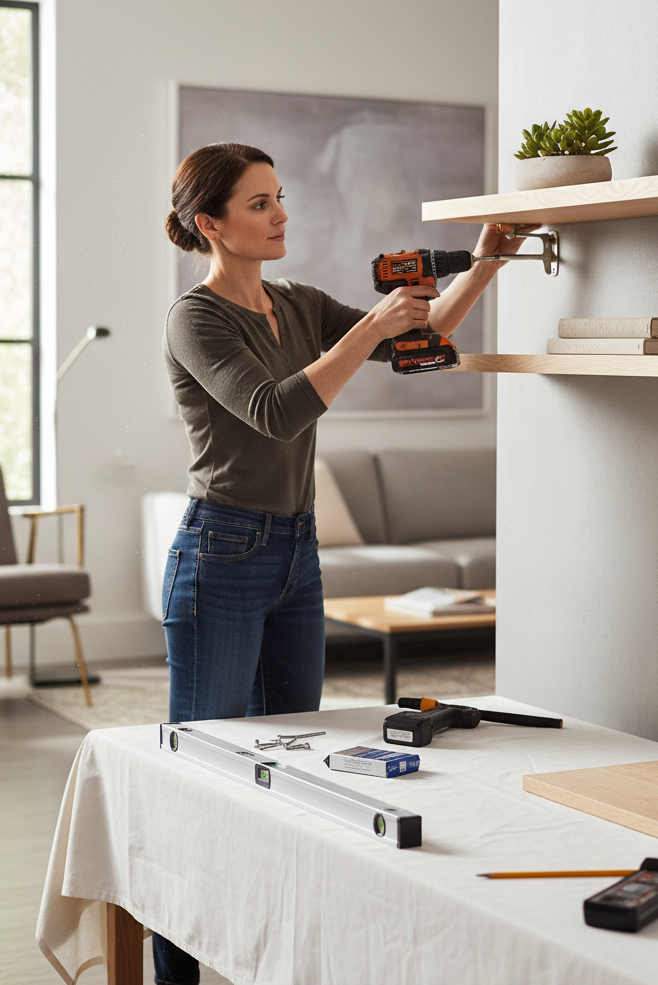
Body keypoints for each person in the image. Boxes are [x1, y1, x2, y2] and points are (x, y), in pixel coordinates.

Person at [155, 141, 530, 984]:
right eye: (259, 204)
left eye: (280, 197)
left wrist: (485, 264)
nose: (282, 213)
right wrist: (370, 322)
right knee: (204, 778)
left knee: (292, 766)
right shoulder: (198, 317)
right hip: (222, 553)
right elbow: (276, 411)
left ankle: (270, 958)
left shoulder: (295, 302)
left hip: (295, 551)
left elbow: (417, 345)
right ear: (209, 223)